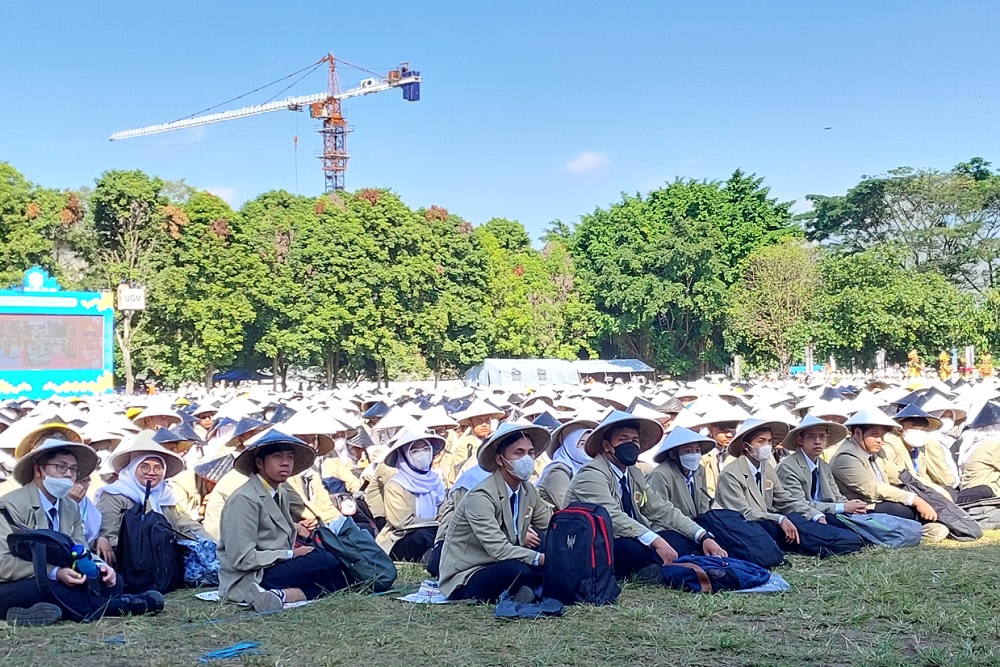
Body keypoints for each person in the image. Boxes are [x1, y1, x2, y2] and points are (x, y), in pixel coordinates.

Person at [0, 440, 163, 625]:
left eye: (73, 469)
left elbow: (80, 547)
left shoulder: (70, 506)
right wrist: (54, 572)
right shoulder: (9, 506)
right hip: (14, 583)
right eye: (60, 467)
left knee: (112, 582)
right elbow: (2, 564)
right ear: (38, 470)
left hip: (61, 577)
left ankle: (25, 614)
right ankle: (122, 607)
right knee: (55, 588)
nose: (68, 474)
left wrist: (99, 566)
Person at [564, 411, 727, 581]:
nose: (630, 445)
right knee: (630, 548)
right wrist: (657, 541)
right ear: (606, 446)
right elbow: (612, 516)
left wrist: (702, 536)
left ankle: (660, 565)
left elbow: (661, 508)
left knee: (679, 539)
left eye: (634, 440)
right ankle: (655, 567)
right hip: (596, 542)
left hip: (632, 535)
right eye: (623, 439)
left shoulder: (633, 473)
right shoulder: (592, 474)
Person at [218, 429, 348, 612]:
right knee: (326, 561)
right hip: (251, 575)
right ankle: (268, 592)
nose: (285, 462)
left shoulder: (280, 493)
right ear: (259, 463)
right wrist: (291, 554)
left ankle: (282, 595)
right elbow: (242, 558)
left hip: (274, 566)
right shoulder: (244, 499)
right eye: (277, 456)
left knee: (343, 572)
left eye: (289, 457)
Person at [715, 418, 864, 555]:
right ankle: (832, 542)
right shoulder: (731, 474)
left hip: (768, 518)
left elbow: (784, 499)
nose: (767, 446)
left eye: (769, 441)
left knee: (800, 519)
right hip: (745, 526)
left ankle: (840, 539)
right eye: (761, 441)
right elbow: (742, 513)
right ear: (746, 446)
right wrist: (779, 518)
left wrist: (813, 514)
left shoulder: (766, 468)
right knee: (787, 528)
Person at [440, 424, 552, 603]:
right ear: (500, 460)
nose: (527, 459)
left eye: (530, 452)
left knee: (544, 547)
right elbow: (498, 550)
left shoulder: (527, 489)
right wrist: (542, 559)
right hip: (469, 573)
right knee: (516, 570)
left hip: (505, 559)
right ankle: (535, 587)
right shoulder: (480, 496)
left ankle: (534, 588)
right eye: (518, 453)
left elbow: (548, 522)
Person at [830, 407, 948, 541]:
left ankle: (923, 525)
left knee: (923, 500)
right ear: (857, 432)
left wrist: (933, 490)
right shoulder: (846, 457)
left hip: (880, 502)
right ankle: (921, 529)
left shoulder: (877, 452)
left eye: (882, 435)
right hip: (861, 508)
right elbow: (873, 488)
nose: (880, 440)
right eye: (874, 434)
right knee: (903, 510)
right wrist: (914, 499)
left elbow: (899, 475)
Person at [93, 432, 210, 565]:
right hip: (129, 566)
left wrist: (213, 544)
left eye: (158, 468)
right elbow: (108, 536)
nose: (152, 472)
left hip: (166, 563)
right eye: (144, 467)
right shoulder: (114, 496)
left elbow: (186, 525)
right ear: (132, 468)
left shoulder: (165, 496)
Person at [776, 414, 869, 517]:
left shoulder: (823, 465)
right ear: (800, 440)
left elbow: (836, 496)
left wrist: (852, 505)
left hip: (827, 512)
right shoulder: (788, 466)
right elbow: (799, 504)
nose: (817, 442)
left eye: (822, 437)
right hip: (803, 517)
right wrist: (842, 507)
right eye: (811, 437)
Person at [377, 431, 446, 563]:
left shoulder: (436, 480)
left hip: (435, 528)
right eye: (415, 451)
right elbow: (403, 522)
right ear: (405, 456)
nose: (422, 454)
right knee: (425, 535)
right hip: (401, 539)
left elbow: (444, 506)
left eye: (426, 449)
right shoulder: (395, 486)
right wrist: (437, 521)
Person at [646, 426, 714, 520]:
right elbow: (659, 511)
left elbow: (703, 502)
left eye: (697, 450)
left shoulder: (699, 470)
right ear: (673, 454)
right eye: (688, 451)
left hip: (699, 526)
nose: (694, 454)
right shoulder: (661, 474)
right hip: (672, 528)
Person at [439, 400, 504, 489]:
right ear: (470, 423)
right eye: (479, 421)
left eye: (487, 420)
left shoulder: (491, 441)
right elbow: (456, 474)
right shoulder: (465, 445)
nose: (484, 424)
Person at [535, 419, 596, 510]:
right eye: (582, 443)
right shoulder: (557, 471)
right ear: (570, 446)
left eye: (590, 444)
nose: (587, 448)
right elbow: (569, 506)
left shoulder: (590, 470)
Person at [694, 404, 750, 499]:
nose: (729, 435)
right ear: (710, 430)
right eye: (723, 430)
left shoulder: (736, 452)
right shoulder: (700, 455)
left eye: (733, 429)